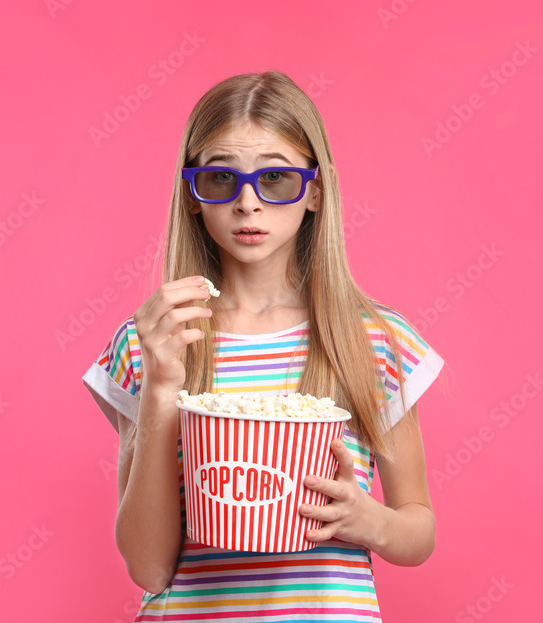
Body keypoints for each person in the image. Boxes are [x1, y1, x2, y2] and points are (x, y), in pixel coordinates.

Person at [81, 70, 449, 622]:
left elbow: (417, 529)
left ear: (316, 190)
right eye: (220, 179)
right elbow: (149, 569)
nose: (248, 203)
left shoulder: (375, 340)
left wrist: (365, 520)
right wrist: (161, 385)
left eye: (276, 178)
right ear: (192, 194)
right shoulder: (153, 340)